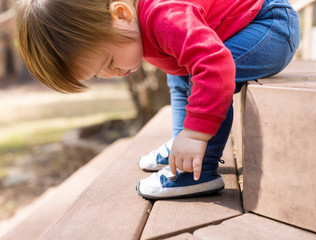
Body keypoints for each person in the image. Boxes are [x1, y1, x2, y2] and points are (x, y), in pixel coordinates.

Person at [16, 0, 300, 200]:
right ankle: (182, 151)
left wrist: (195, 133)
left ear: (121, 14)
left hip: (271, 26)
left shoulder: (164, 15)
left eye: (110, 61)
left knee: (210, 74)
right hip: (244, 28)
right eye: (97, 74)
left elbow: (214, 63)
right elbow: (181, 84)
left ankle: (198, 171)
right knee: (180, 76)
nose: (112, 74)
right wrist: (183, 137)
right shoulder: (138, 27)